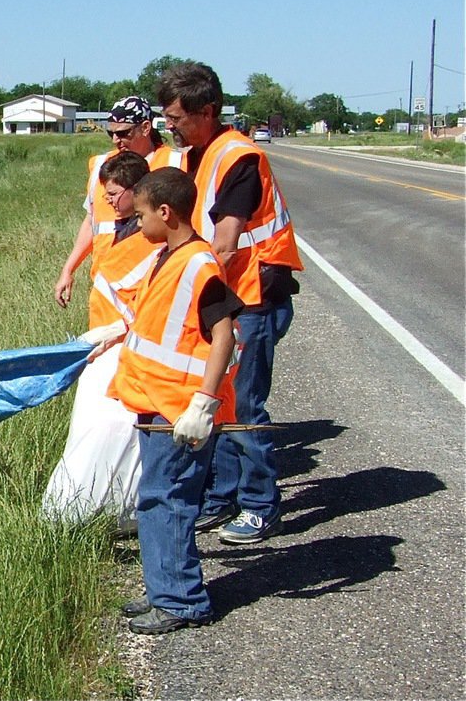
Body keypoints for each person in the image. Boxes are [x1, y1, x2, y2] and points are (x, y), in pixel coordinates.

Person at [156, 62, 304, 544]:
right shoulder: (194, 154)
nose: (170, 125)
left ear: (208, 110)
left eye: (177, 116)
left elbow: (222, 242)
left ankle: (262, 505)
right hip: (225, 295)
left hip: (254, 295)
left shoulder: (238, 157)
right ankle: (222, 496)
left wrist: (180, 284)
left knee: (243, 406)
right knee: (216, 398)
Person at [96, 167, 243, 634]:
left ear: (165, 212)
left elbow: (224, 335)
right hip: (155, 399)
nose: (137, 224)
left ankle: (182, 602)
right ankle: (164, 588)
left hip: (179, 408)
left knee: (170, 500)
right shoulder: (168, 255)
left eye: (141, 215)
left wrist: (204, 404)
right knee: (155, 499)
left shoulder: (199, 263)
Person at [41, 150, 161, 530]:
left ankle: (118, 509)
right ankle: (90, 506)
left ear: (137, 191)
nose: (107, 202)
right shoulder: (120, 223)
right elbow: (91, 226)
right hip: (104, 340)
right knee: (90, 426)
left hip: (128, 348)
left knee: (115, 430)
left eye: (113, 194)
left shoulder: (152, 236)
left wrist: (119, 335)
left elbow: (149, 302)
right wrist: (68, 270)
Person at [53, 96, 177, 310]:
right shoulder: (103, 166)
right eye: (111, 133)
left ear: (146, 128)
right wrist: (68, 270)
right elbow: (92, 222)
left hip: (156, 287)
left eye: (123, 133)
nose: (115, 140)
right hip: (108, 286)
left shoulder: (174, 164)